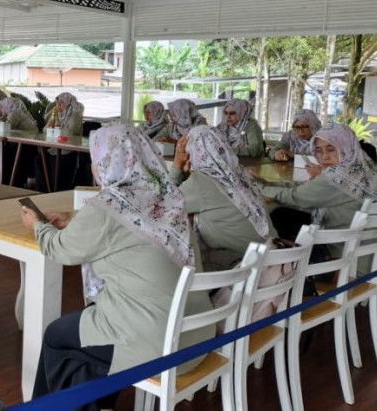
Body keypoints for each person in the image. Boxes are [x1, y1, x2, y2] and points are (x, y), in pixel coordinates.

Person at [21, 125, 212, 410]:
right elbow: (130, 229)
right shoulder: (168, 196)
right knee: (84, 344)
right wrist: (75, 220)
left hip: (156, 343)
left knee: (56, 337)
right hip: (195, 335)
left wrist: (37, 226)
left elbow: (59, 249)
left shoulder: (107, 206)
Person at [171, 126, 276, 271]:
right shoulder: (238, 173)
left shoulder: (200, 181)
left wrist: (177, 167)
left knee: (176, 264)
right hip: (267, 260)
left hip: (242, 268)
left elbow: (162, 204)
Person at [263, 124, 377, 256]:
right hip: (367, 250)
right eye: (319, 151)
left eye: (331, 149)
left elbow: (295, 197)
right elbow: (310, 189)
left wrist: (261, 189)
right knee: (285, 215)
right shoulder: (367, 169)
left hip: (340, 251)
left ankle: (291, 267)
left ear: (347, 148)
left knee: (278, 217)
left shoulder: (338, 175)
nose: (324, 157)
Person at [35, 92, 84, 192]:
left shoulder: (75, 114)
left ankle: (54, 191)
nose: (58, 105)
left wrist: (56, 129)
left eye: (61, 103)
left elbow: (71, 133)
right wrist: (49, 124)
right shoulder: (56, 114)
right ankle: (42, 191)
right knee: (39, 159)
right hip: (54, 148)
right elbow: (45, 131)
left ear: (68, 103)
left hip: (67, 150)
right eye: (57, 103)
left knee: (55, 163)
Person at [0, 97, 37, 188]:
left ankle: (4, 181)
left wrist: (3, 115)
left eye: (2, 107)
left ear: (8, 106)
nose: (1, 109)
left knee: (3, 152)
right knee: (3, 149)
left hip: (29, 148)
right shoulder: (17, 112)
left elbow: (3, 128)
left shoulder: (15, 114)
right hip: (26, 146)